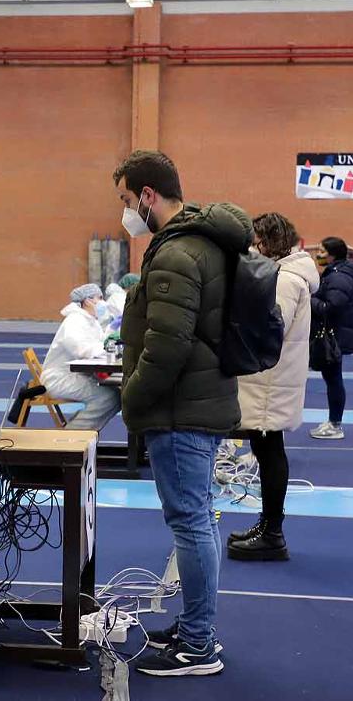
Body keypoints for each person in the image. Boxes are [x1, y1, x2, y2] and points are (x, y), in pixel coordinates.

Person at [113, 149, 250, 677]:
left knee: (191, 524)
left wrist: (132, 399)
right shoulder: (202, 243)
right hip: (201, 399)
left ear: (148, 195)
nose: (125, 212)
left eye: (127, 200)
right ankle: (197, 629)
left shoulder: (176, 252)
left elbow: (166, 345)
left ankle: (197, 645)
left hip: (180, 410)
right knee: (197, 521)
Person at [227, 213, 318, 562]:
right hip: (270, 378)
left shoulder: (284, 279)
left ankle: (273, 533)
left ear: (267, 243)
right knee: (267, 453)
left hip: (270, 381)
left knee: (270, 452)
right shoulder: (286, 275)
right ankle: (267, 525)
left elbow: (268, 327)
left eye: (255, 242)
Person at [40, 283, 121, 432]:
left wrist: (112, 331)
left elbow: (99, 341)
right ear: (87, 300)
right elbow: (81, 349)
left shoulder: (90, 321)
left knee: (116, 395)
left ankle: (83, 432)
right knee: (108, 398)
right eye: (99, 298)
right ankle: (72, 436)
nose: (102, 302)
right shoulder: (74, 321)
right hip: (60, 379)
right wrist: (108, 348)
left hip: (77, 375)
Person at [309, 237, 353, 441]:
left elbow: (330, 307)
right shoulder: (334, 273)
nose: (319, 255)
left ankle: (335, 424)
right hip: (334, 334)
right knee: (332, 378)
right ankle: (334, 421)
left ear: (332, 254)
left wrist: (309, 298)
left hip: (334, 337)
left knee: (333, 379)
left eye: (322, 251)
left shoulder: (339, 277)